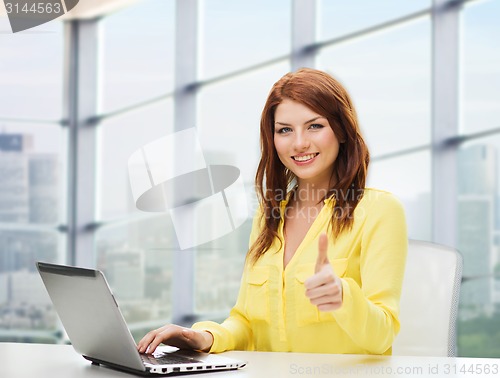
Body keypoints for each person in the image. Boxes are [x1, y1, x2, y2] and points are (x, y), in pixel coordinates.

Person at [137, 68, 407, 355]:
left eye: (315, 126)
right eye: (285, 130)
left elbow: (382, 336)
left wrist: (343, 298)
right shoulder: (268, 216)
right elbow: (247, 323)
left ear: (341, 130)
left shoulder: (379, 211)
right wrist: (204, 337)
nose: (299, 143)